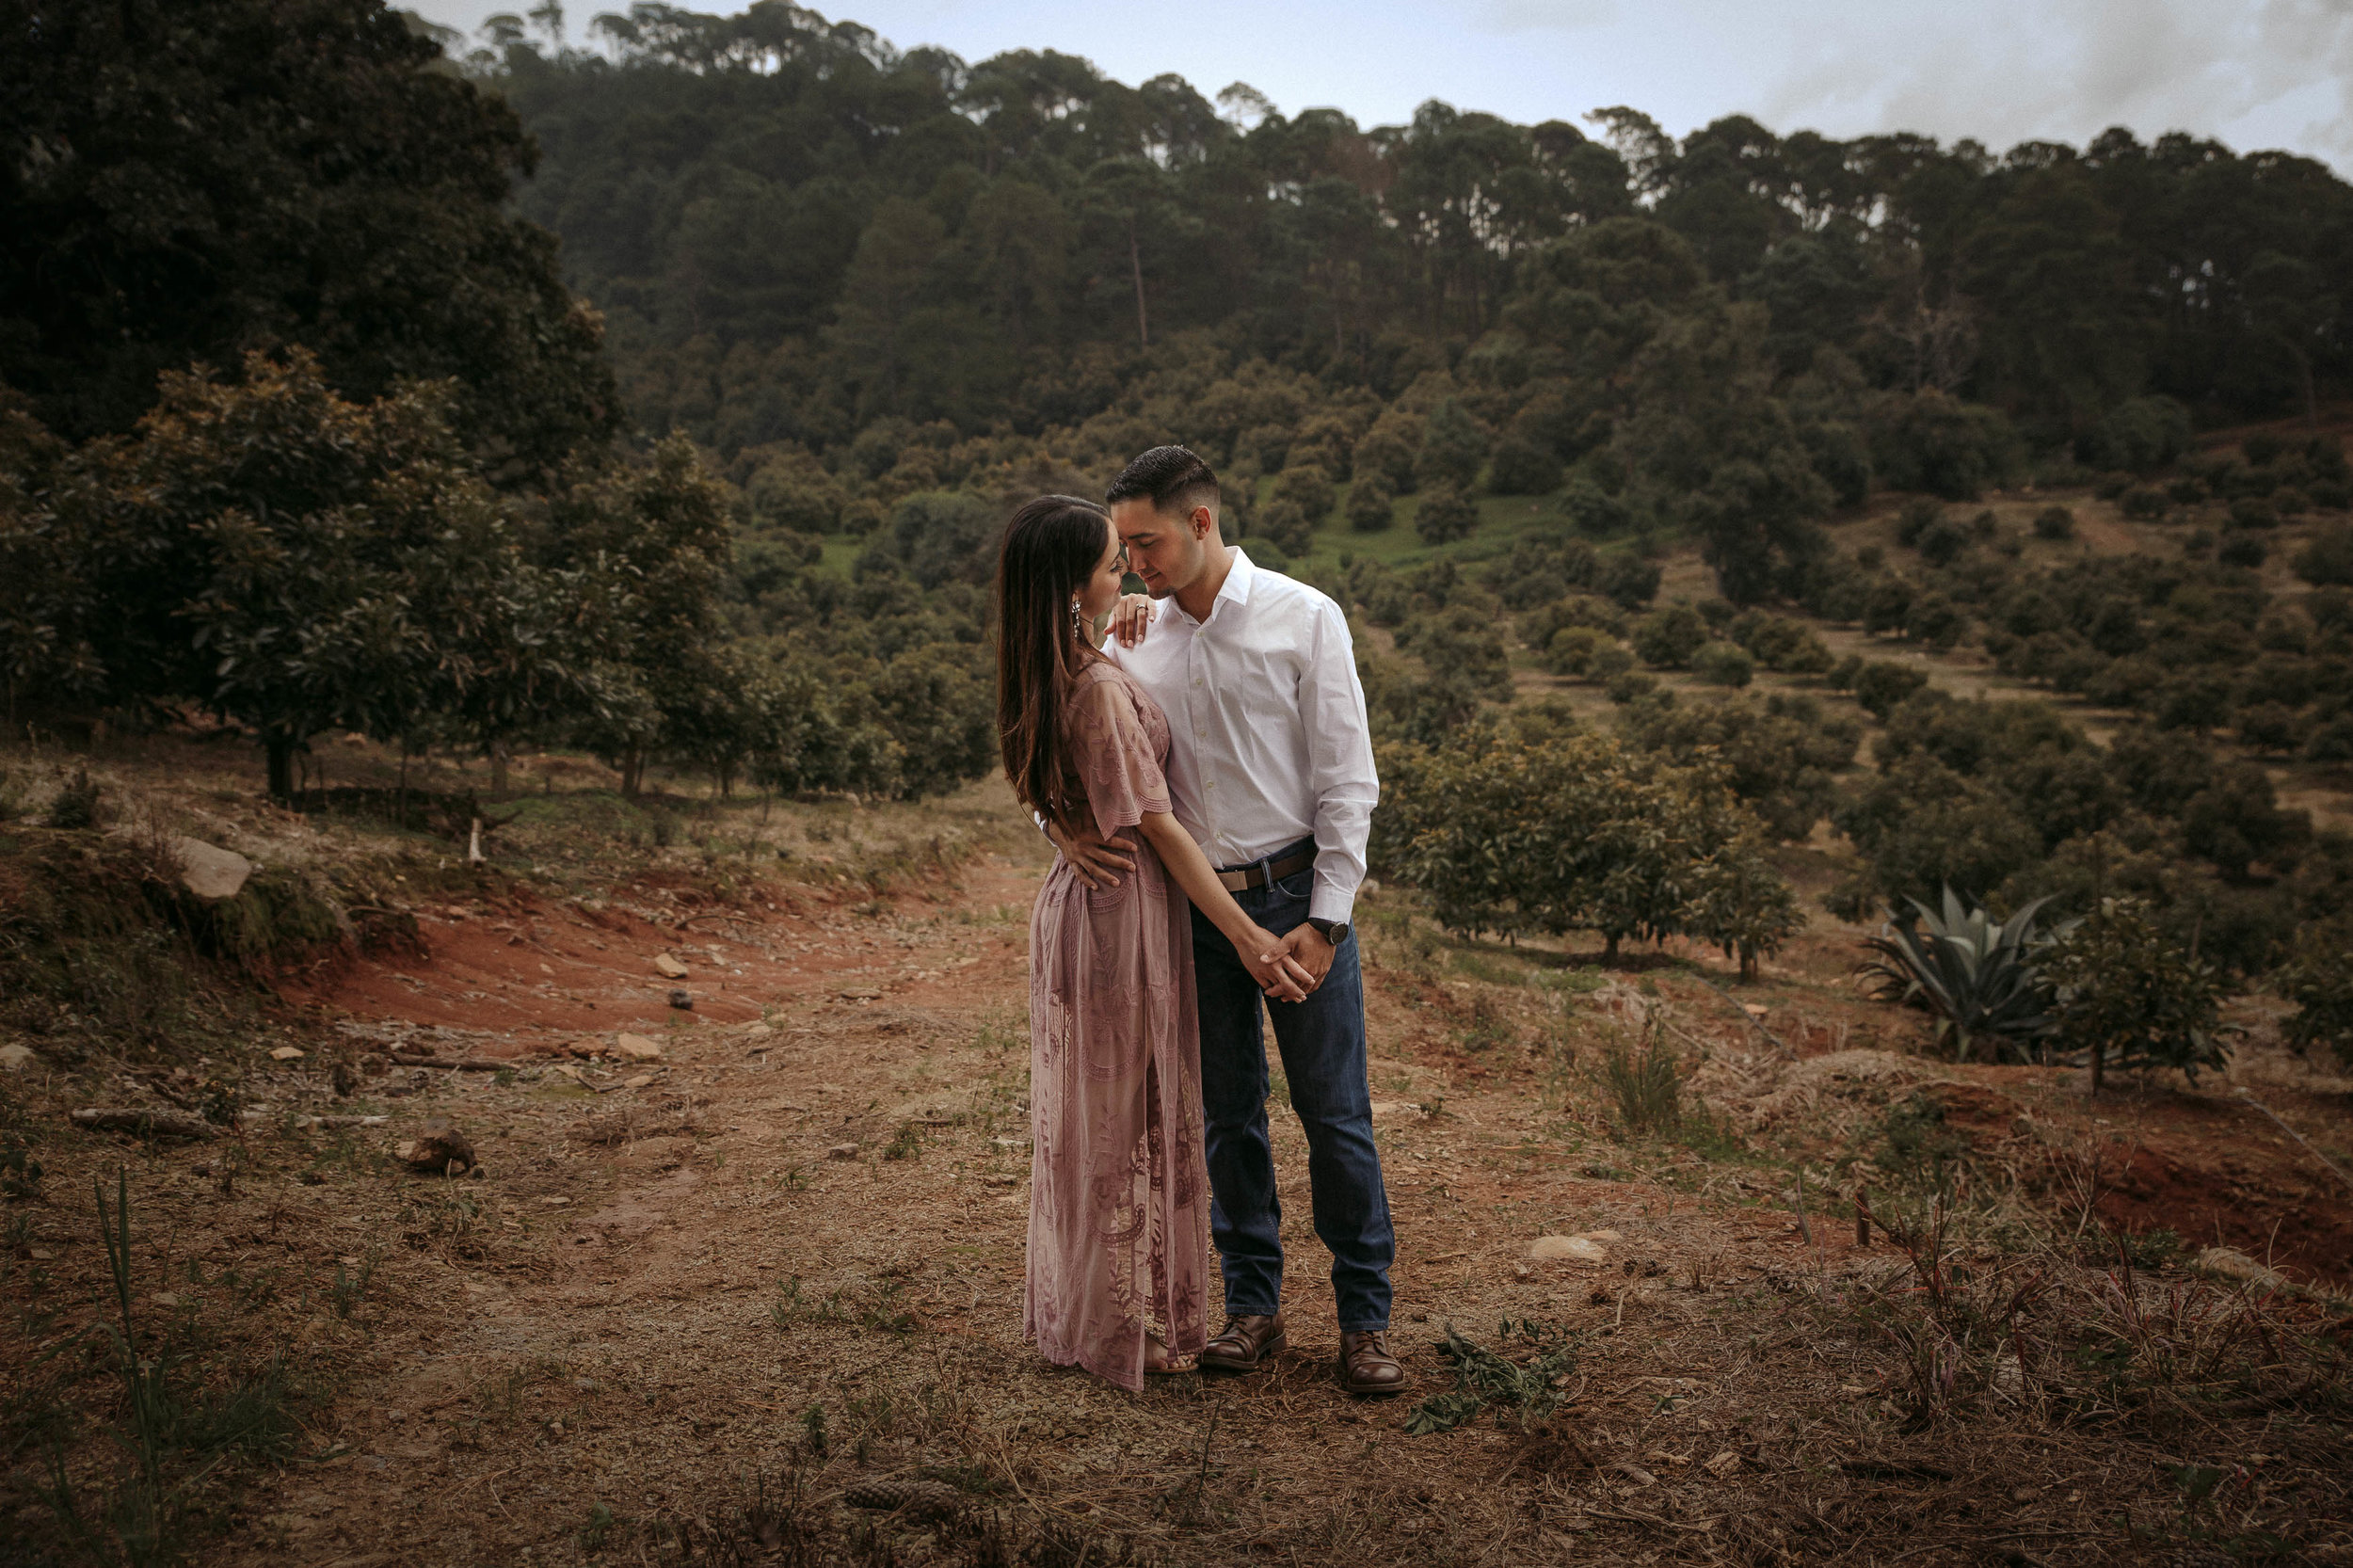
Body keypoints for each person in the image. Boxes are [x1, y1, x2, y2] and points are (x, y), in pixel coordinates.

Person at [1045, 447, 1409, 1396]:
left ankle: (1365, 1321)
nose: (1131, 564)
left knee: (1337, 1120)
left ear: (1201, 522)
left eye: (1146, 542)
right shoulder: (1131, 636)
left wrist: (1325, 922)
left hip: (1297, 907)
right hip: (1190, 918)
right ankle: (1252, 1308)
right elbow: (1057, 737)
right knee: (1226, 1120)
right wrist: (1053, 827)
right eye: (1119, 548)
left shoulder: (1304, 617)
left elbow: (1346, 784)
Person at [995, 493, 1310, 1394]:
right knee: (1123, 1126)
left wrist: (1128, 617)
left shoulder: (1060, 663)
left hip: (1091, 905)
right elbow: (1160, 827)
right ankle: (1113, 1326)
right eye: (1108, 565)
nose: (1126, 571)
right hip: (1121, 913)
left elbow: (1063, 777)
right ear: (1067, 588)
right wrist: (1249, 933)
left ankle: (1093, 1314)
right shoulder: (1091, 686)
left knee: (1102, 1124)